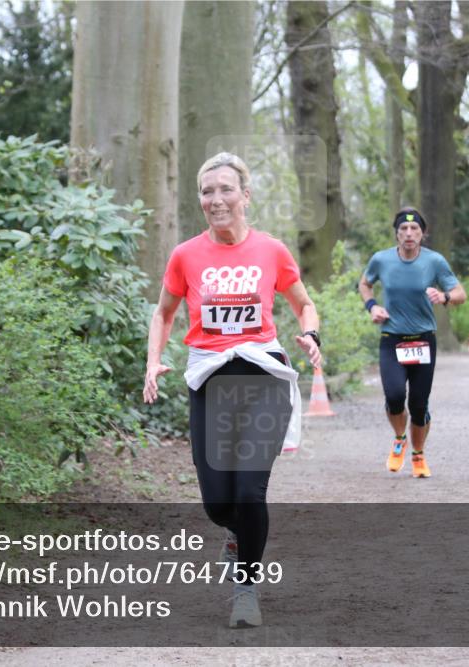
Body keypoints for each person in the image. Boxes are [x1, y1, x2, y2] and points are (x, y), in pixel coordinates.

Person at [143, 152, 322, 628]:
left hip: (262, 376)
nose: (215, 199)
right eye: (207, 191)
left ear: (245, 195)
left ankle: (246, 589)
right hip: (210, 378)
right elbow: (162, 313)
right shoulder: (186, 255)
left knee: (249, 490)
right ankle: (237, 536)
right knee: (217, 501)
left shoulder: (271, 251)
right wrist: (153, 360)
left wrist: (310, 334)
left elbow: (305, 305)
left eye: (225, 189)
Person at [358, 207, 466, 478]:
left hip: (423, 341)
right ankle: (399, 439)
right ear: (396, 234)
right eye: (403, 229)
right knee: (394, 396)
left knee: (419, 405)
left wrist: (444, 297)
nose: (408, 234)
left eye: (414, 229)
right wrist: (372, 307)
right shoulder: (381, 260)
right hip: (392, 339)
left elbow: (460, 293)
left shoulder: (435, 262)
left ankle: (418, 455)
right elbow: (364, 284)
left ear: (422, 233)